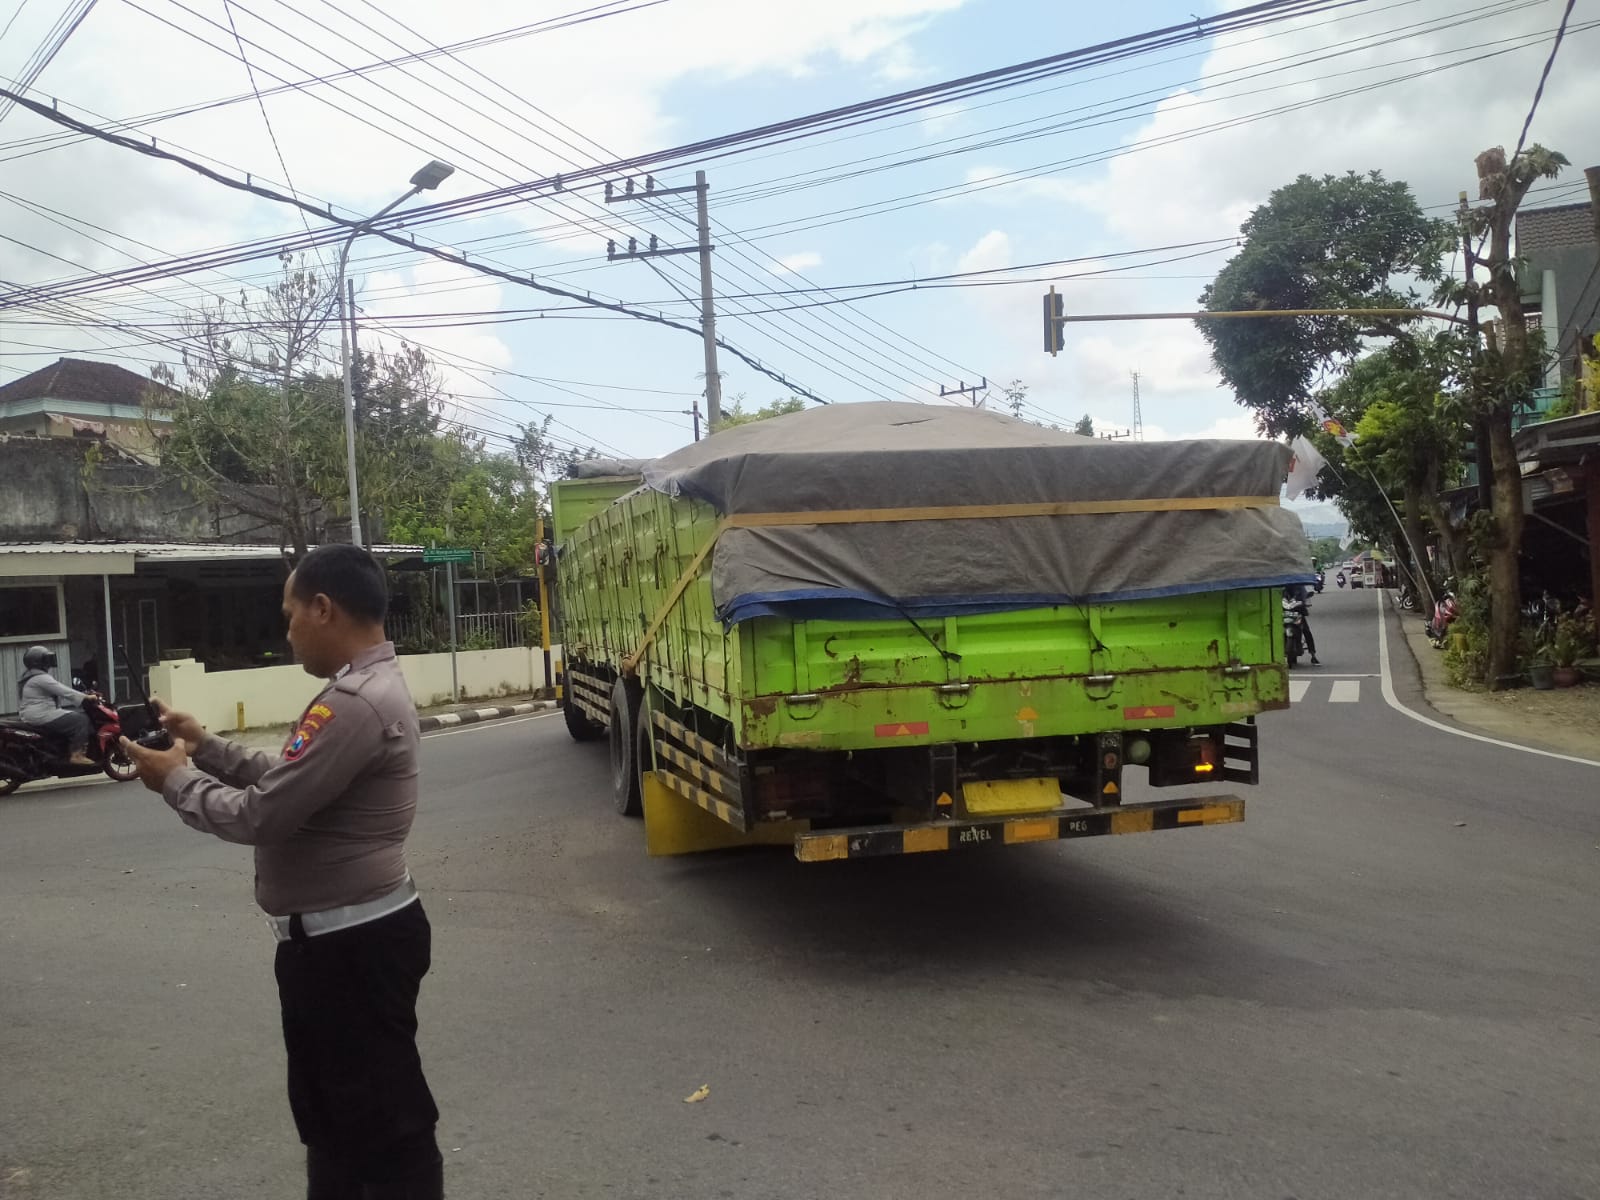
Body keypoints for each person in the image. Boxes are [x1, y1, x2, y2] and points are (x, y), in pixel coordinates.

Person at [122, 544, 443, 1200]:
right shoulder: (358, 692)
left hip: (353, 950)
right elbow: (289, 780)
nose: (287, 628)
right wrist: (205, 748)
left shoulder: (355, 702)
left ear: (323, 608)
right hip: (337, 946)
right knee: (334, 1120)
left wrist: (175, 779)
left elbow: (260, 817)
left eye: (290, 612)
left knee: (383, 1126)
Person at [17, 645, 95, 766]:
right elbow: (63, 691)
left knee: (69, 716)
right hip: (41, 714)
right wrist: (86, 697)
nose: (49, 662)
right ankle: (77, 754)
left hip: (36, 713)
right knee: (80, 719)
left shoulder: (30, 676)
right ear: (38, 662)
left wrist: (82, 694)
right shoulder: (40, 678)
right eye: (46, 659)